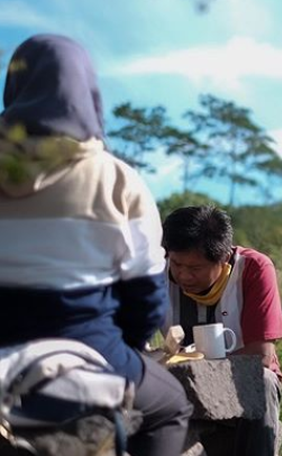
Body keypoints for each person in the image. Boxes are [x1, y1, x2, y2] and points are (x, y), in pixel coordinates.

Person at [0, 34, 192, 456]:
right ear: (87, 95)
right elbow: (146, 301)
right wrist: (123, 348)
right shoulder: (118, 180)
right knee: (172, 407)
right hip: (88, 347)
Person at [162, 205, 282, 456]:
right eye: (176, 264)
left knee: (261, 381)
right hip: (180, 383)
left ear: (223, 259)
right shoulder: (157, 271)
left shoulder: (253, 269)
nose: (184, 275)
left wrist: (192, 368)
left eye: (195, 268)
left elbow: (259, 356)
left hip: (237, 383)